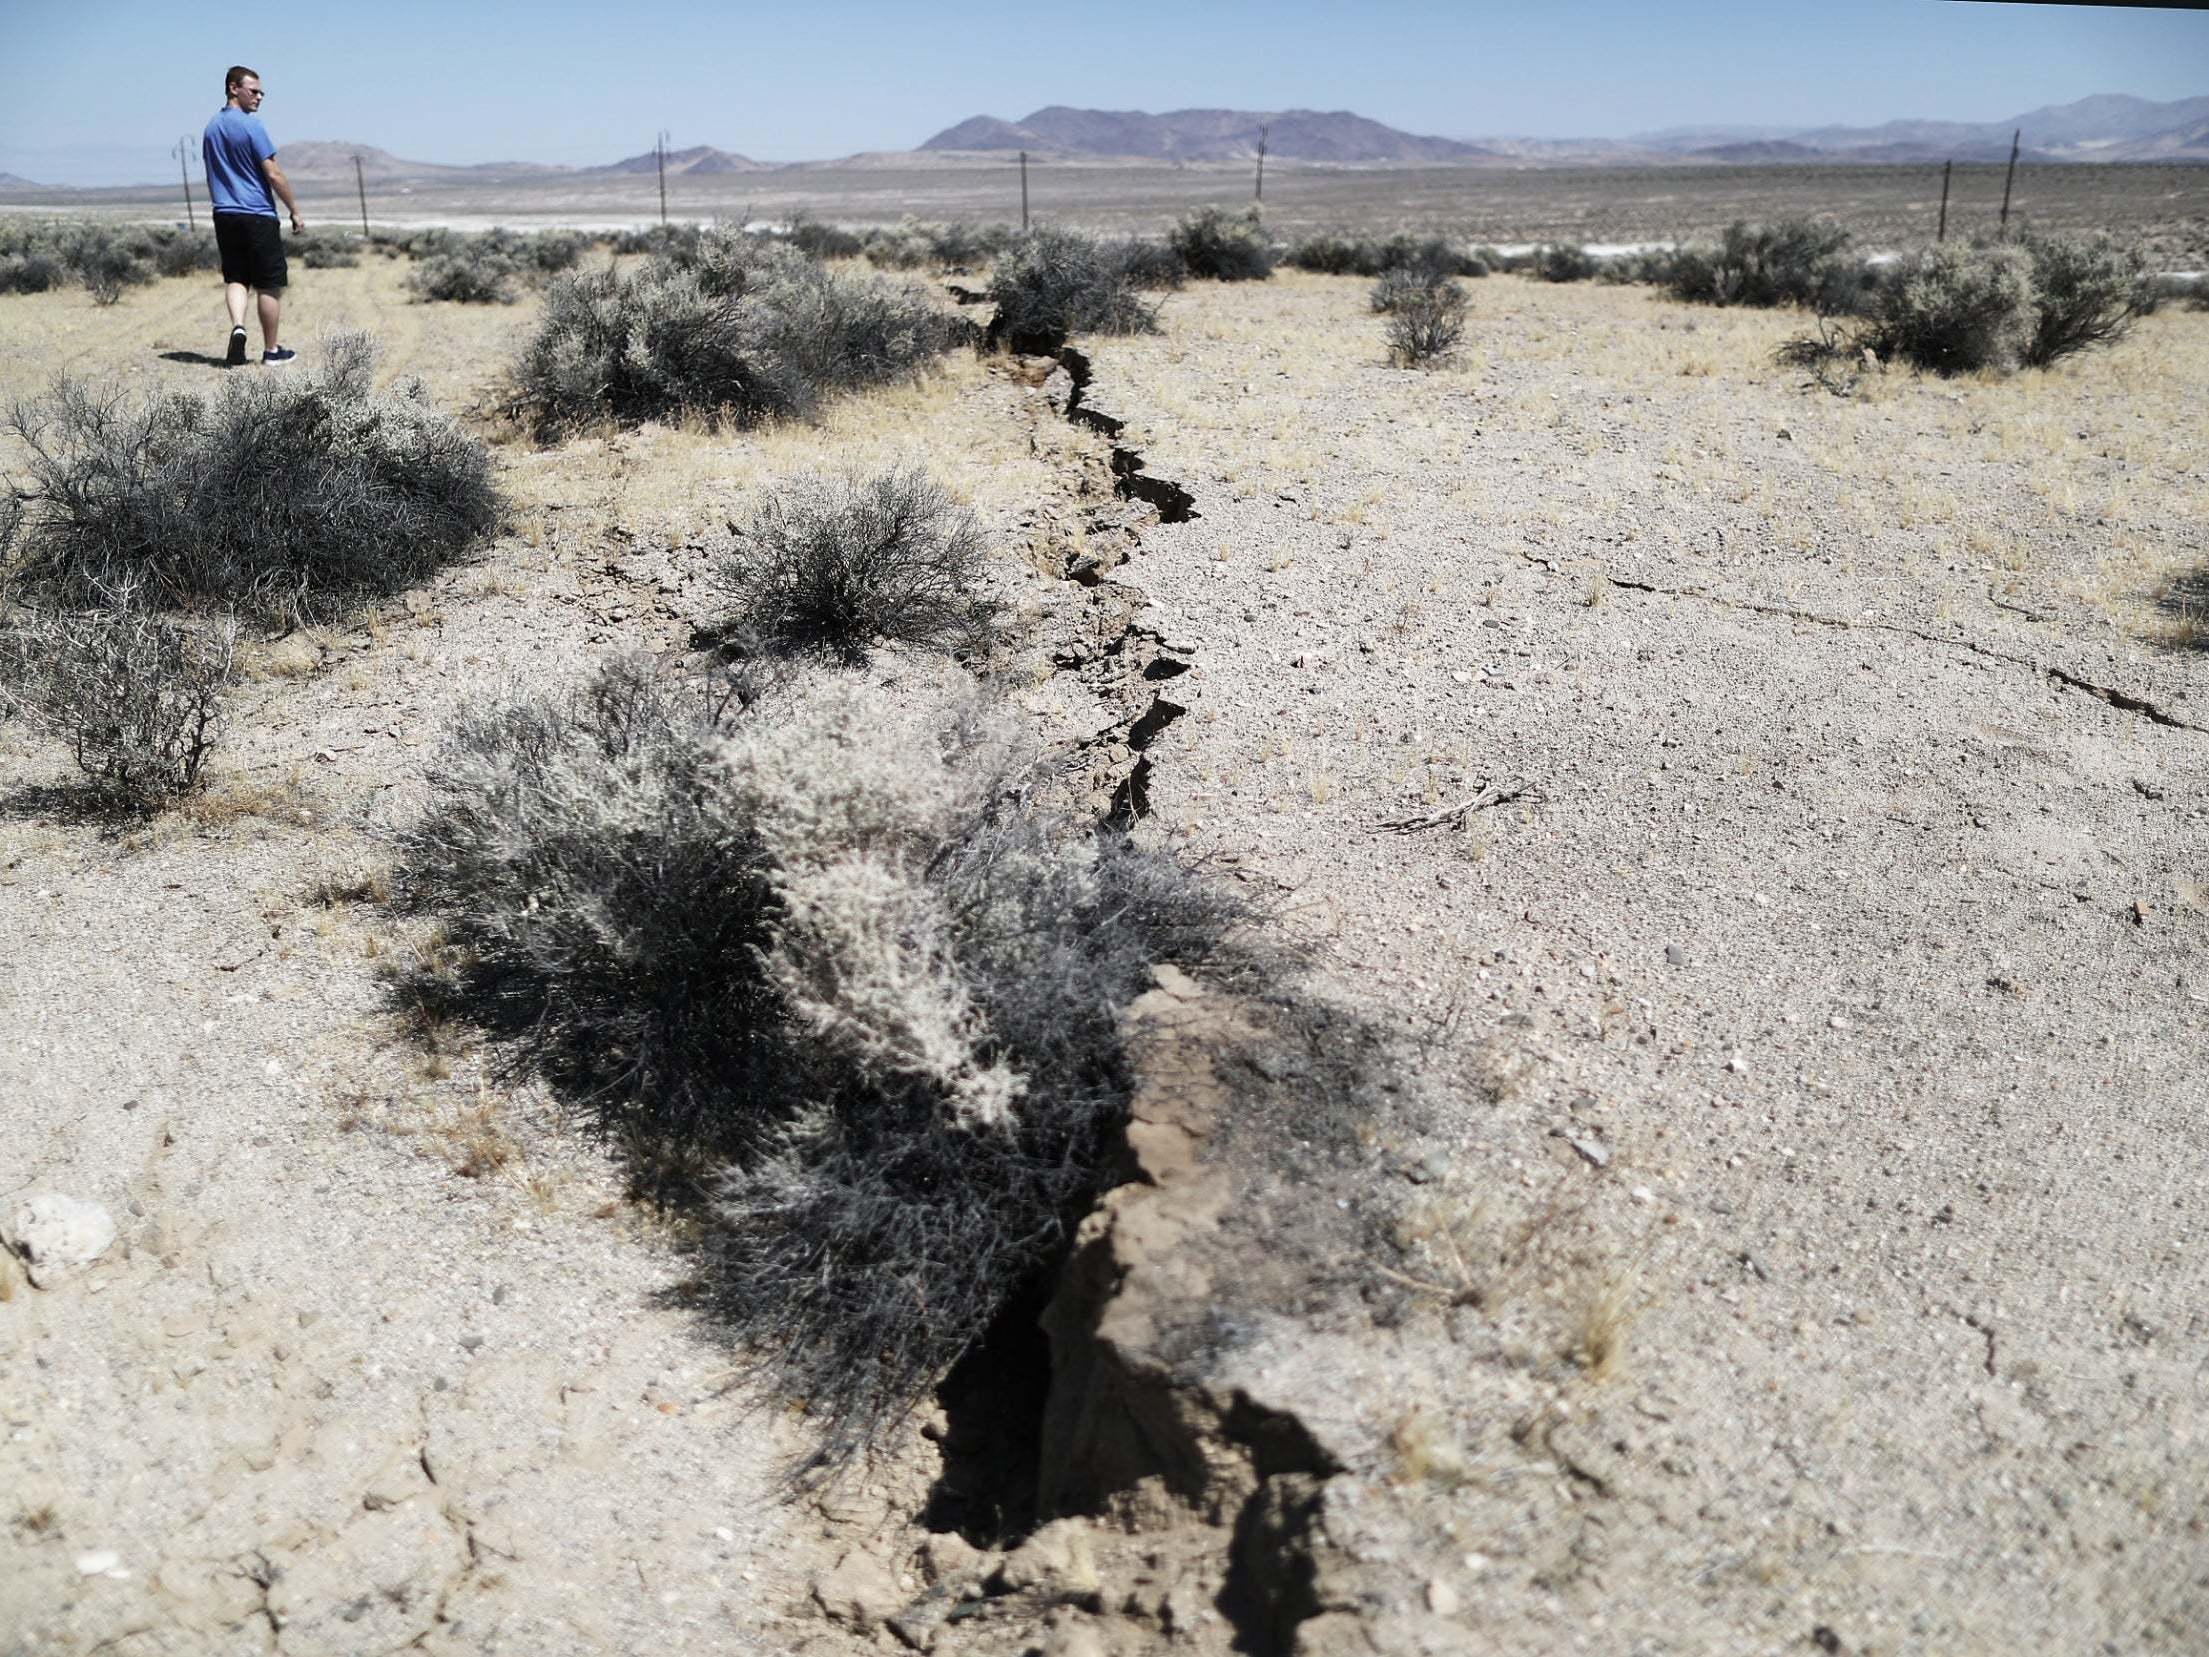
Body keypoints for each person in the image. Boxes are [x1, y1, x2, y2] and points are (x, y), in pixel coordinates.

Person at [202, 65, 304, 366]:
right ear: (234, 88)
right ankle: (272, 350)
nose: (259, 97)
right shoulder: (251, 126)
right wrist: (294, 210)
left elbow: (211, 174)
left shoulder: (210, 128)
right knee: (268, 284)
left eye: (261, 92)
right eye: (254, 91)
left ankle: (238, 326)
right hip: (257, 214)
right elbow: (273, 174)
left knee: (236, 278)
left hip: (224, 213)